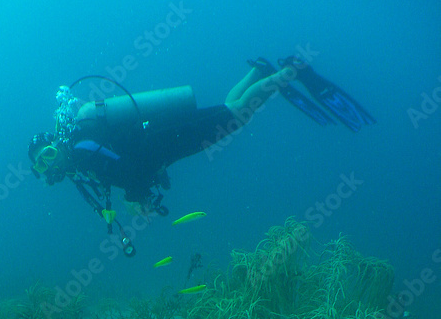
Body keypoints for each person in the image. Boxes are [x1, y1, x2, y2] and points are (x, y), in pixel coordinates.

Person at [29, 56, 376, 254]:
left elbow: (129, 169)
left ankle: (288, 73)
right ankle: (259, 71)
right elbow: (123, 166)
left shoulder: (80, 151)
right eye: (41, 164)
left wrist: (136, 197)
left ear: (54, 143)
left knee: (237, 115)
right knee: (228, 110)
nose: (49, 163)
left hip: (165, 138)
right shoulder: (79, 158)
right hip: (163, 138)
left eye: (46, 154)